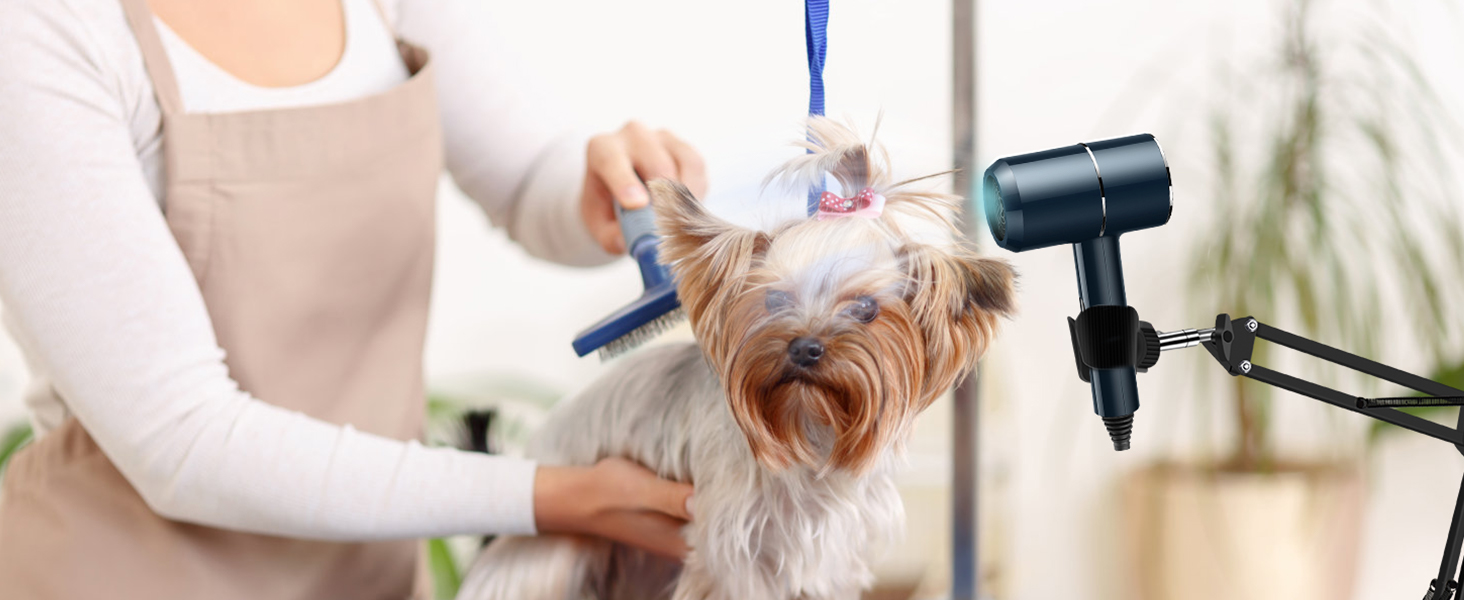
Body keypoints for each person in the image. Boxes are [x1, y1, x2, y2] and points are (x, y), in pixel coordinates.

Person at [0, 0, 706, 597]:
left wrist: (605, 189)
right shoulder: (43, 30)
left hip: (367, 572)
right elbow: (181, 439)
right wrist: (556, 496)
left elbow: (524, 183)